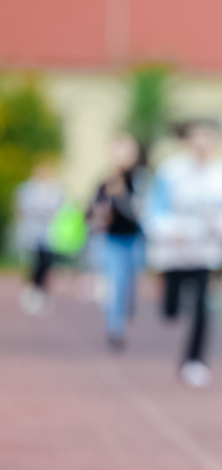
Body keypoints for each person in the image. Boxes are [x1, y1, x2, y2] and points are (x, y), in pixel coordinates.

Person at [142, 119, 222, 387]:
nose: (202, 143)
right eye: (197, 138)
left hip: (206, 254)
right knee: (170, 311)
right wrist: (172, 229)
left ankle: (194, 361)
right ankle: (172, 307)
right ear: (187, 142)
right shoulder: (171, 172)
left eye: (208, 137)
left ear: (216, 142)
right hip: (173, 254)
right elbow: (152, 211)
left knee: (202, 308)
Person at [87, 132, 147, 350]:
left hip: (136, 240)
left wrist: (122, 196)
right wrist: (102, 211)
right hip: (113, 241)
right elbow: (91, 212)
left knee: (132, 287)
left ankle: (125, 313)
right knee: (116, 284)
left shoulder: (140, 180)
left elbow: (141, 212)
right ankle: (116, 328)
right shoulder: (105, 182)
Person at [14, 161, 65, 315]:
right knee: (33, 263)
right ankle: (31, 291)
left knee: (46, 263)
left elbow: (58, 210)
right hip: (31, 233)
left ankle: (41, 292)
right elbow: (21, 209)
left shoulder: (54, 190)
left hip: (48, 235)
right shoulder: (27, 190)